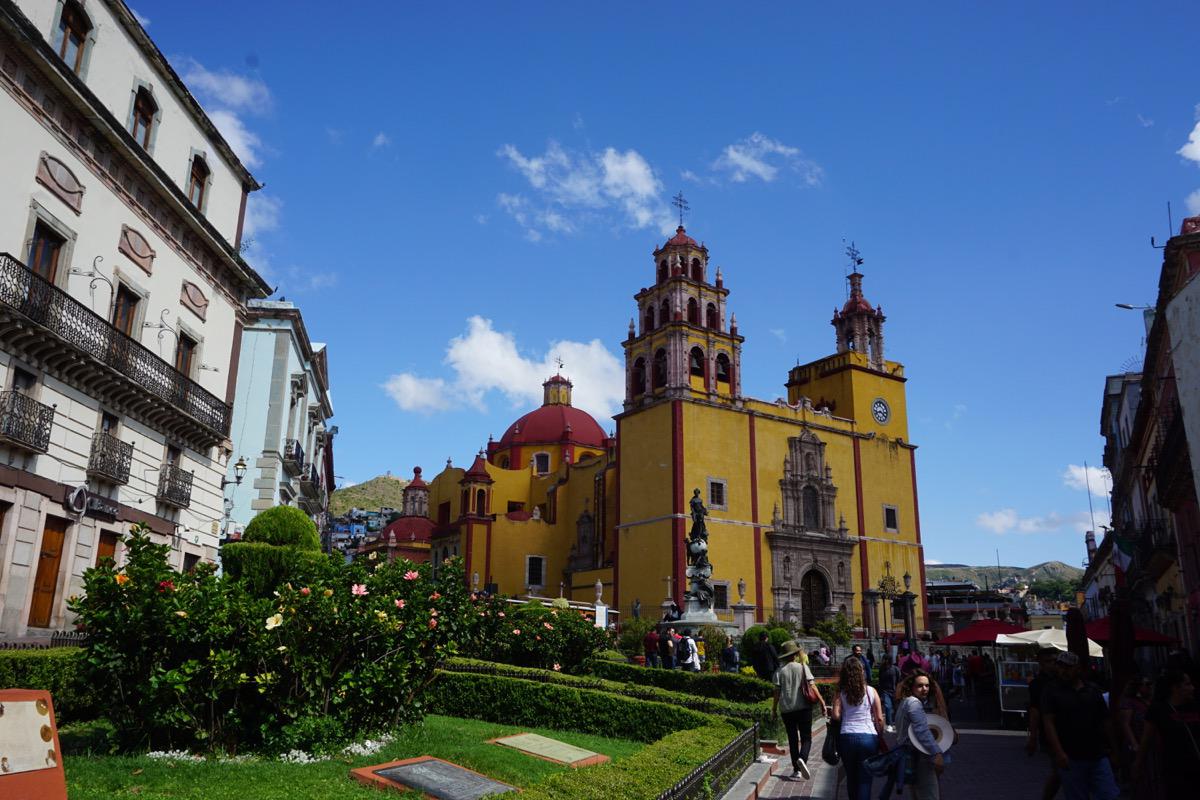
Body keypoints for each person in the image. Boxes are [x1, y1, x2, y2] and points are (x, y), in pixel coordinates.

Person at [1042, 651, 1118, 800]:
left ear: (1078, 669)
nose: (1063, 671)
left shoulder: (1092, 689)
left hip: (1097, 753)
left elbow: (1105, 721)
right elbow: (1048, 722)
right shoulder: (1052, 691)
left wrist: (1114, 749)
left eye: (1068, 667)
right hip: (1070, 755)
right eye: (1060, 667)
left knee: (1108, 794)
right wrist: (1059, 752)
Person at [1135, 668, 1200, 796]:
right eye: (1187, 684)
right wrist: (1138, 764)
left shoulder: (1195, 706)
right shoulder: (1158, 710)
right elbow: (1146, 740)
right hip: (1175, 771)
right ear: (1175, 688)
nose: (1192, 688)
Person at [772, 640, 828, 780]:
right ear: (795, 655)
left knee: (792, 739)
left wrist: (773, 709)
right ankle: (802, 758)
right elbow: (812, 686)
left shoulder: (779, 671)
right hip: (803, 708)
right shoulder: (803, 667)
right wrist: (822, 702)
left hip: (787, 709)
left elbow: (776, 693)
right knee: (806, 738)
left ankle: (796, 770)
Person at [832, 656, 884, 800]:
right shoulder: (871, 691)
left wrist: (845, 714)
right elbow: (879, 719)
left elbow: (835, 715)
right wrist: (880, 735)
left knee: (851, 777)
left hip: (847, 736)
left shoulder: (841, 692)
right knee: (865, 779)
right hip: (868, 737)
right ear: (862, 672)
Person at [895, 670, 947, 799]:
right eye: (920, 686)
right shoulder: (914, 703)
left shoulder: (905, 702)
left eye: (927, 685)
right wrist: (936, 753)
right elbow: (921, 730)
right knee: (929, 794)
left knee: (917, 794)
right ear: (911, 687)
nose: (924, 689)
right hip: (920, 756)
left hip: (910, 756)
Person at [1025, 648, 1061, 800]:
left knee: (1061, 772)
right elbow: (1035, 711)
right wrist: (1033, 737)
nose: (1052, 664)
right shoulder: (1037, 684)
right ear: (1040, 663)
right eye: (1048, 661)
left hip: (1068, 730)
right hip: (1049, 733)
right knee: (1059, 770)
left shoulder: (1063, 680)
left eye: (1055, 661)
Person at [1115, 675, 1151, 782]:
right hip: (1136, 740)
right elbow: (1125, 724)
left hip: (1148, 741)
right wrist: (1134, 743)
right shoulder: (1129, 702)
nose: (1150, 687)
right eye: (1147, 684)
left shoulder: (1149, 701)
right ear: (1138, 686)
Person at [877, 654, 902, 727]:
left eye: (885, 659)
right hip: (885, 692)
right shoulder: (881, 669)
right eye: (884, 659)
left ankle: (896, 722)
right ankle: (889, 724)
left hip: (895, 691)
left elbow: (899, 680)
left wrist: (898, 690)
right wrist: (880, 692)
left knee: (896, 708)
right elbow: (880, 681)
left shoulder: (895, 669)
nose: (884, 661)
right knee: (888, 707)